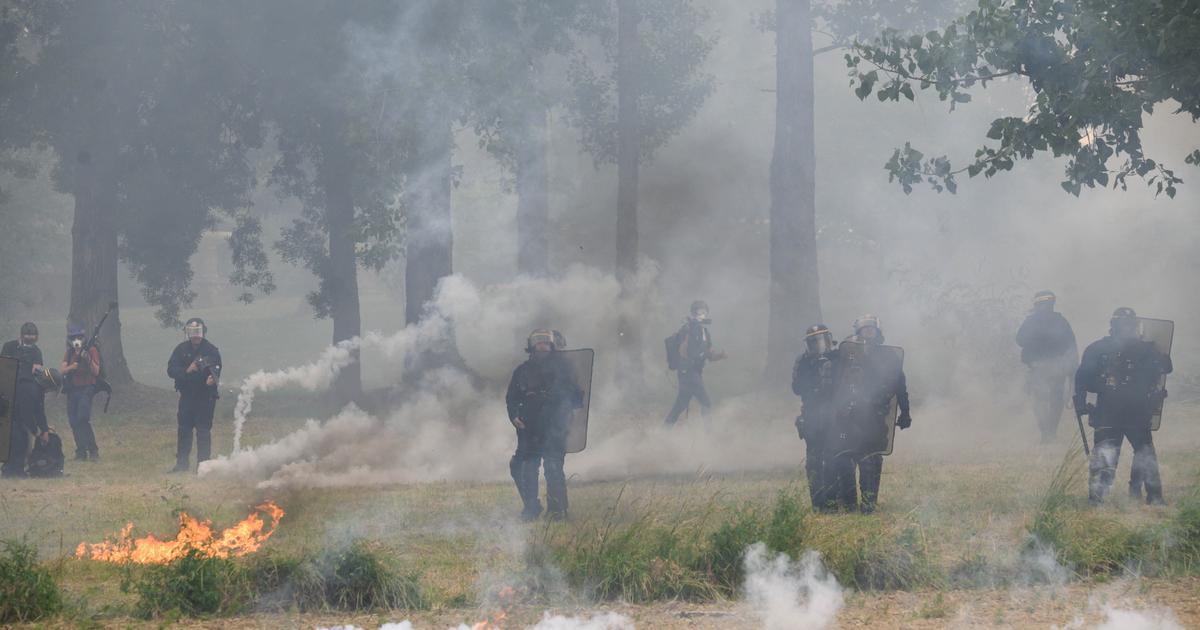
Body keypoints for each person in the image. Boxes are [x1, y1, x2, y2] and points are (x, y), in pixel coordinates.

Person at [1074, 307, 1172, 506]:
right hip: (1130, 411)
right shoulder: (1145, 349)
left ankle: (1099, 499)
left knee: (1115, 453)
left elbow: (1082, 378)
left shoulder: (1098, 348)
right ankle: (1152, 497)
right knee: (1139, 453)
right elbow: (1166, 367)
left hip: (1113, 412)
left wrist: (1082, 403)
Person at [826, 315, 911, 514]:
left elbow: (900, 386)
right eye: (865, 329)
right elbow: (834, 384)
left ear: (878, 332)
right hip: (848, 418)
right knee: (844, 459)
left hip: (875, 417)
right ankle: (848, 505)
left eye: (872, 329)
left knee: (871, 460)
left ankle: (868, 505)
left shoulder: (889, 357)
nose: (869, 332)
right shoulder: (848, 356)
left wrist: (905, 412)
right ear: (858, 332)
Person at [506, 329, 584, 521]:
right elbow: (512, 398)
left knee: (553, 466)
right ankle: (531, 508)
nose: (542, 346)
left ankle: (557, 512)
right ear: (532, 346)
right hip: (529, 428)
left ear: (552, 346)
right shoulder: (522, 370)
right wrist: (514, 416)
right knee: (522, 467)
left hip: (554, 427)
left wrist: (561, 407)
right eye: (538, 342)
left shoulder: (564, 368)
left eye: (546, 342)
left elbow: (575, 397)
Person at [1015, 291, 1078, 443]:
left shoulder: (1053, 321)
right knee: (1045, 400)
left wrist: (1072, 367)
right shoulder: (1048, 321)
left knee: (1047, 400)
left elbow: (1070, 346)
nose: (1045, 308)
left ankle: (1048, 432)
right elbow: (1020, 339)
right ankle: (1048, 432)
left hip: (1052, 367)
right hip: (1043, 367)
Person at [792, 323, 838, 512]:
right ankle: (818, 504)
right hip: (812, 415)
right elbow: (796, 388)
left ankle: (834, 501)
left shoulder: (838, 357)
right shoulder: (803, 361)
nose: (819, 345)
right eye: (814, 341)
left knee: (835, 458)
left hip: (835, 414)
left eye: (822, 340)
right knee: (814, 461)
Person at [166, 317, 221, 473]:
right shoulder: (180, 350)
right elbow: (171, 370)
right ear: (188, 333)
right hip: (187, 396)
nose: (196, 336)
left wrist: (213, 378)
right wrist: (186, 371)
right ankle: (182, 465)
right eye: (192, 332)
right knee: (184, 430)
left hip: (205, 397)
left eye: (198, 332)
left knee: (203, 431)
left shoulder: (211, 350)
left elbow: (216, 368)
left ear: (203, 332)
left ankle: (203, 467)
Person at [664, 300, 725, 426]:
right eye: (699, 312)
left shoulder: (705, 333)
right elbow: (684, 352)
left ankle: (664, 429)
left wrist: (720, 356)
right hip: (687, 373)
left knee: (680, 405)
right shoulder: (688, 330)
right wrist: (697, 354)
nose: (702, 315)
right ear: (693, 313)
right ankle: (710, 435)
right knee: (706, 402)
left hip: (695, 372)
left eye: (704, 312)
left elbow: (709, 354)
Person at [2, 323, 51, 478]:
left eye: (32, 339)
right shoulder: (9, 347)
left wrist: (42, 428)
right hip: (8, 392)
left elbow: (37, 369)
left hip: (25, 392)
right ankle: (11, 469)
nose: (30, 342)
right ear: (21, 335)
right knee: (14, 433)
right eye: (27, 339)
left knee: (21, 433)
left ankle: (15, 468)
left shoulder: (36, 351)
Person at [61, 324, 101, 460]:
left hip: (87, 388)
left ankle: (93, 450)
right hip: (73, 389)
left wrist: (87, 358)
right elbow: (63, 370)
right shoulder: (69, 352)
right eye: (73, 338)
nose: (76, 340)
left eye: (79, 337)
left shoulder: (92, 350)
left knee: (82, 418)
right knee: (74, 421)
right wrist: (72, 366)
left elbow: (96, 371)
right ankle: (81, 451)